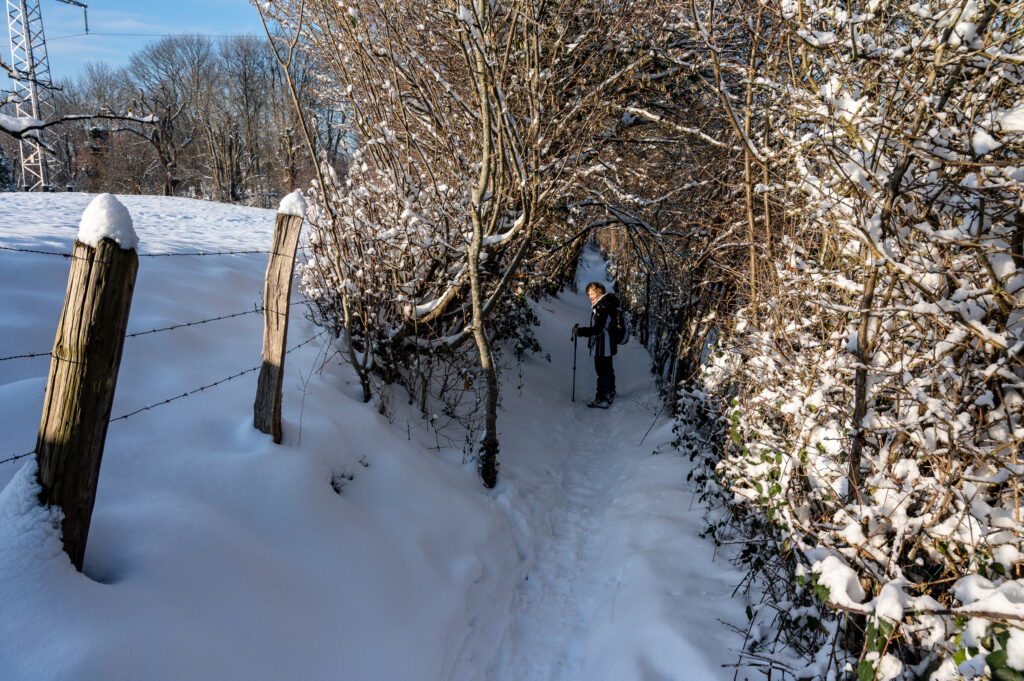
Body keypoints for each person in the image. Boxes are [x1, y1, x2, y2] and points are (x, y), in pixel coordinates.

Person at [572, 281, 620, 408]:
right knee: (608, 369)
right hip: (608, 345)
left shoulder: (602, 307)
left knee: (602, 371)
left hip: (602, 346)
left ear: (599, 292)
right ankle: (610, 392)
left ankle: (602, 398)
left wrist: (580, 331)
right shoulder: (608, 305)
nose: (589, 297)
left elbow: (598, 330)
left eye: (591, 294)